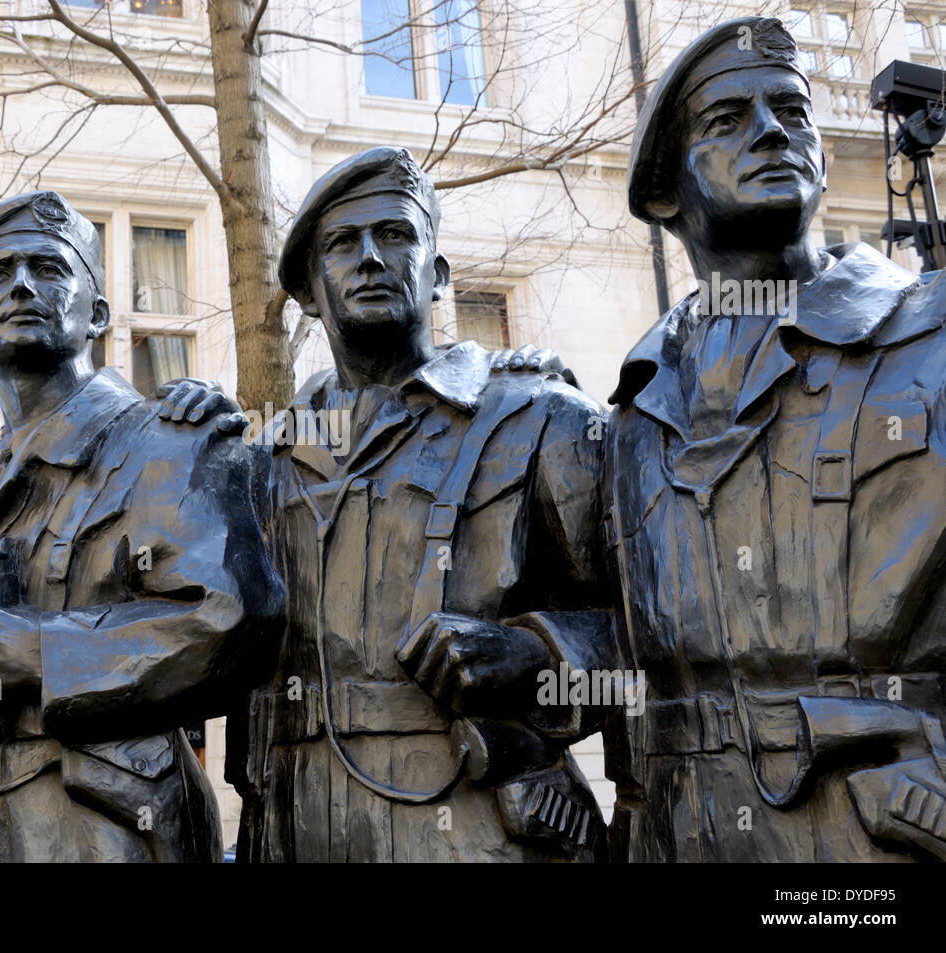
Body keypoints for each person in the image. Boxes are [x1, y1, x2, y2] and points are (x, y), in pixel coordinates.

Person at [605, 16, 946, 862]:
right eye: (729, 121)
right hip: (683, 831)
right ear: (665, 196)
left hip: (881, 836)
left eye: (792, 113)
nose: (772, 131)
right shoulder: (634, 410)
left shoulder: (933, 335)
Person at [0, 189, 283, 861]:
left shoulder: (168, 441)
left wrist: (40, 651)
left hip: (106, 825)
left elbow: (232, 622)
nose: (23, 285)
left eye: (50, 267)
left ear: (96, 315)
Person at [234, 147, 615, 862]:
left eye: (396, 235)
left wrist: (534, 655)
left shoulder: (541, 419)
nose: (370, 258)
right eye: (343, 244)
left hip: (473, 822)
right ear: (311, 292)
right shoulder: (267, 458)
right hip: (302, 818)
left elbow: (652, 638)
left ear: (438, 273)